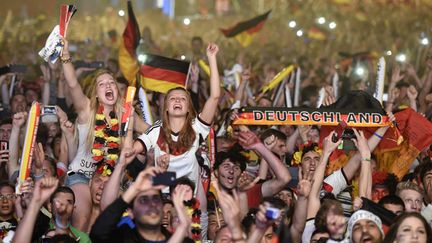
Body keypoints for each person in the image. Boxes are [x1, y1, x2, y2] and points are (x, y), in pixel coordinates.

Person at [61, 38, 149, 230]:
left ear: (117, 90)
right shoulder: (87, 110)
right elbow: (73, 85)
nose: (108, 86)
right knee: (83, 216)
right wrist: (66, 57)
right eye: (102, 84)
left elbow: (151, 132)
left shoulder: (126, 114)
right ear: (96, 93)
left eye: (111, 83)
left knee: (113, 218)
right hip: (82, 175)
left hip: (109, 178)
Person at [132, 43, 221, 190]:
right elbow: (132, 150)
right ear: (166, 107)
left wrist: (211, 58)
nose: (178, 100)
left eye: (183, 99)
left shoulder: (197, 127)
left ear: (188, 109)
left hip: (191, 203)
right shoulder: (156, 130)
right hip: (164, 201)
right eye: (173, 98)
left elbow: (215, 97)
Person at [90, 167, 192, 243]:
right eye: (143, 200)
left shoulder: (183, 241)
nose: (152, 204)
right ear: (131, 212)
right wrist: (135, 188)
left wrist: (183, 226)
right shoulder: (122, 239)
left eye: (156, 199)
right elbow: (98, 233)